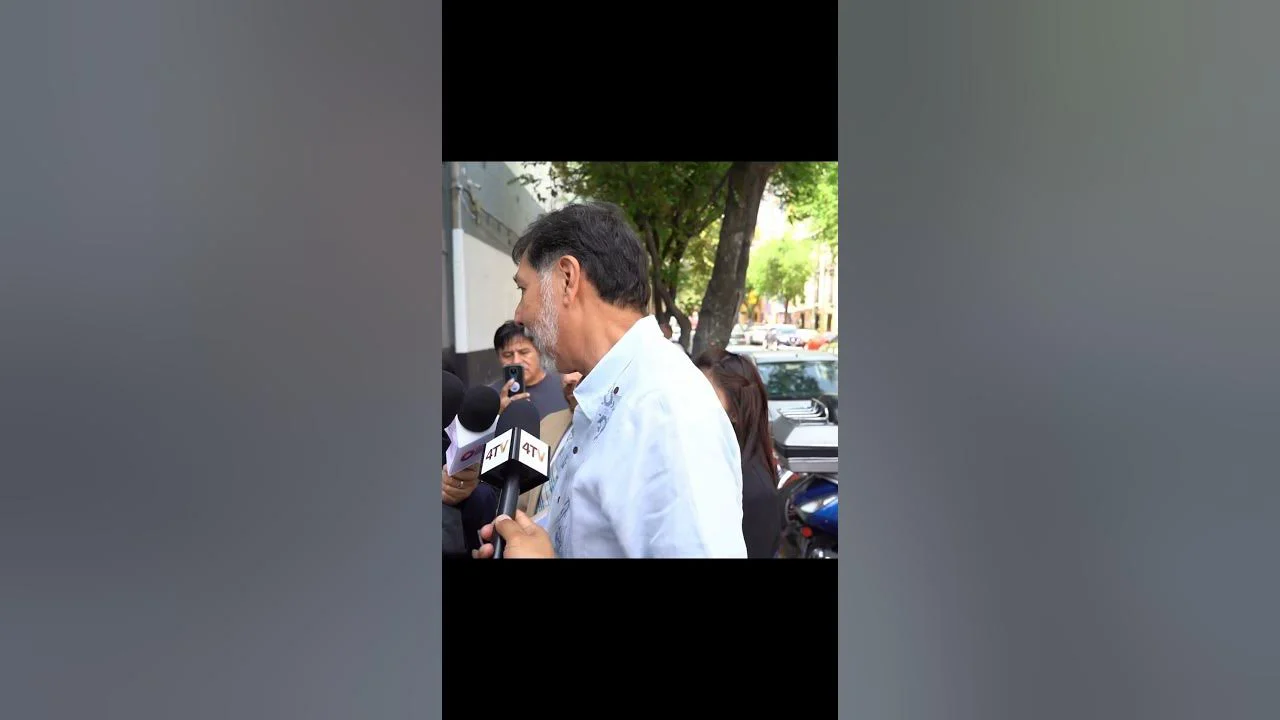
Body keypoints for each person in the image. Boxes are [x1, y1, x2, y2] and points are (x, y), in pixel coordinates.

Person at [474, 201, 747, 558]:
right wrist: (528, 539)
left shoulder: (667, 410)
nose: (519, 316)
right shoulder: (607, 396)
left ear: (567, 279)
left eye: (523, 290)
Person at [694, 349, 787, 558]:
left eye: (703, 396)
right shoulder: (703, 462)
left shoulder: (754, 492)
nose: (688, 404)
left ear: (735, 411)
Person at [489, 321, 569, 418]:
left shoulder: (565, 385)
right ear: (499, 357)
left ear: (539, 351)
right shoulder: (490, 396)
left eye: (524, 352)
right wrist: (499, 415)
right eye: (508, 355)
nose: (516, 361)